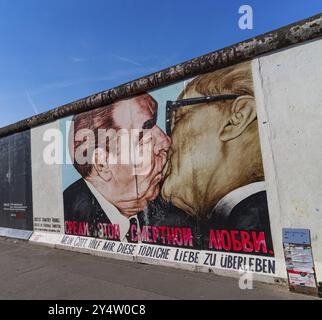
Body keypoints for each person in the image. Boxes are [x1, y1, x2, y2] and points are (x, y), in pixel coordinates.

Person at [160, 62, 273, 254]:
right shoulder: (243, 219)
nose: (166, 140)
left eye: (178, 118)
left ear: (236, 118)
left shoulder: (255, 222)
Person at [63, 93, 170, 242]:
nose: (165, 142)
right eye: (144, 138)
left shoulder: (173, 214)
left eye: (155, 125)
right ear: (102, 164)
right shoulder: (67, 214)